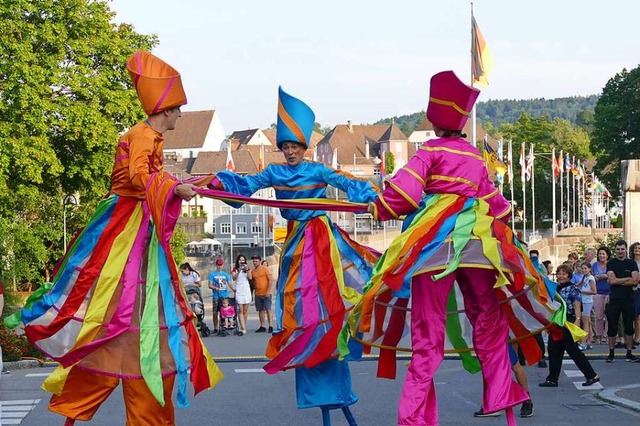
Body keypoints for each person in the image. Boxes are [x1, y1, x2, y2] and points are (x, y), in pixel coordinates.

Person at [7, 51, 222, 425]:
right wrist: (174, 189)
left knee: (138, 303)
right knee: (116, 297)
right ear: (166, 110)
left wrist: (190, 183)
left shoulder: (151, 136)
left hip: (138, 225)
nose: (181, 116)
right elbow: (141, 178)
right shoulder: (141, 135)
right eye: (178, 110)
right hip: (125, 225)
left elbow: (154, 177)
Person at [341, 71, 558, 426]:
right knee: (487, 322)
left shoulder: (430, 151)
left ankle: (413, 419)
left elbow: (405, 193)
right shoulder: (474, 157)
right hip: (477, 246)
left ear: (436, 120)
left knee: (428, 338)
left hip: (435, 247)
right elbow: (498, 206)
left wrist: (377, 207)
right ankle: (506, 409)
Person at [208, 86, 380, 424]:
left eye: (294, 147)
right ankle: (316, 362)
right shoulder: (274, 173)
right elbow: (246, 186)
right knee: (301, 313)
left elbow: (347, 182)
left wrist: (374, 197)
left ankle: (334, 352)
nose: (289, 152)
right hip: (294, 247)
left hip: (321, 242)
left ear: (305, 147)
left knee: (335, 301)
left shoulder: (317, 170)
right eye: (285, 147)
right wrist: (216, 183)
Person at [539, 264, 599, 387]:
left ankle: (592, 375)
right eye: (559, 273)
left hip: (568, 322)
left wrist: (576, 322)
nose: (561, 276)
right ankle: (552, 379)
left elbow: (577, 306)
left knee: (573, 351)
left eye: (564, 274)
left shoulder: (573, 289)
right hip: (556, 323)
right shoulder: (555, 289)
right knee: (553, 350)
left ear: (569, 276)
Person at [474, 344, 534, 419]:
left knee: (515, 366)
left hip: (500, 340)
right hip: (487, 341)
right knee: (490, 369)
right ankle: (494, 403)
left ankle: (527, 401)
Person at [605, 240, 639, 362]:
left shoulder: (632, 263)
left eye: (622, 249)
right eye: (618, 249)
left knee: (629, 326)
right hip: (614, 299)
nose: (620, 251)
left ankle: (629, 352)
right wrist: (627, 279)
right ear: (615, 250)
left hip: (629, 299)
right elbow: (612, 280)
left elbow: (635, 280)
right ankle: (611, 353)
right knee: (612, 326)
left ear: (626, 250)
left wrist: (618, 280)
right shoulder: (611, 263)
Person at [249, 255, 274, 333]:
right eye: (253, 261)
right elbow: (251, 281)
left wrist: (268, 290)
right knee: (260, 310)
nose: (255, 262)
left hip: (266, 293)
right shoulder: (253, 272)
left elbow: (270, 280)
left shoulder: (265, 268)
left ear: (260, 261)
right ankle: (262, 326)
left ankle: (271, 325)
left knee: (268, 309)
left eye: (256, 261)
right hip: (258, 293)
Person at [592, 246, 611, 344]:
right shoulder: (595, 265)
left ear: (607, 255)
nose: (601, 256)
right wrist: (595, 276)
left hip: (609, 292)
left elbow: (614, 275)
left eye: (603, 254)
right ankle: (598, 336)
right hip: (598, 292)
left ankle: (607, 336)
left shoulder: (611, 264)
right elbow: (590, 276)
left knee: (609, 316)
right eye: (600, 254)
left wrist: (606, 276)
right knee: (598, 316)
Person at [577, 261, 596, 350]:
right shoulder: (585, 277)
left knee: (585, 323)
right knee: (588, 322)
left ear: (589, 269)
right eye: (582, 268)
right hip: (583, 301)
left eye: (585, 268)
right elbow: (578, 284)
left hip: (587, 302)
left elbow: (594, 291)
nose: (584, 270)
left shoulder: (591, 279)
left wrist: (582, 291)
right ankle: (589, 341)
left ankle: (583, 343)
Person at [208, 258, 231, 334]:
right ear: (216, 265)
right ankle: (215, 328)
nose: (219, 266)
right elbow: (210, 285)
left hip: (224, 295)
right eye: (218, 265)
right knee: (215, 312)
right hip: (216, 295)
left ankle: (224, 326)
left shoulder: (225, 274)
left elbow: (229, 283)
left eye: (220, 265)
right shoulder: (212, 274)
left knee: (224, 312)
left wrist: (234, 289)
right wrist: (215, 287)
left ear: (222, 265)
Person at [230, 254, 252, 335]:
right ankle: (242, 327)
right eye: (240, 260)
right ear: (237, 261)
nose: (241, 261)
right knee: (240, 310)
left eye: (243, 260)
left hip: (246, 289)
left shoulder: (247, 268)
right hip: (239, 290)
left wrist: (247, 269)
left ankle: (244, 326)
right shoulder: (235, 269)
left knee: (245, 310)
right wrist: (239, 270)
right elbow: (234, 278)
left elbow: (250, 278)